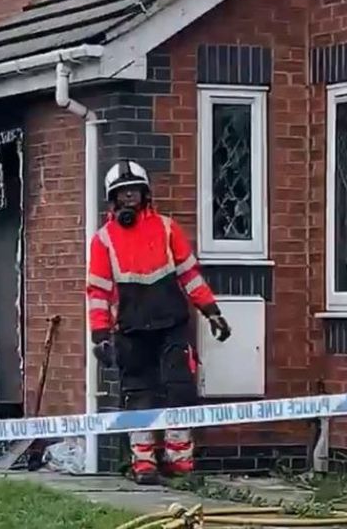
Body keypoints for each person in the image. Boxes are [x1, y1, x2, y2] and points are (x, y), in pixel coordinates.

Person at [87, 160, 231, 485]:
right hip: (131, 330)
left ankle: (179, 461)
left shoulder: (167, 228)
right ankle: (144, 463)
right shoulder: (103, 240)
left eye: (133, 192)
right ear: (113, 200)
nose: (128, 199)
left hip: (172, 324)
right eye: (121, 194)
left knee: (180, 388)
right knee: (139, 394)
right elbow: (98, 290)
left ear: (145, 193)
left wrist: (211, 311)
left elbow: (190, 275)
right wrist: (99, 335)